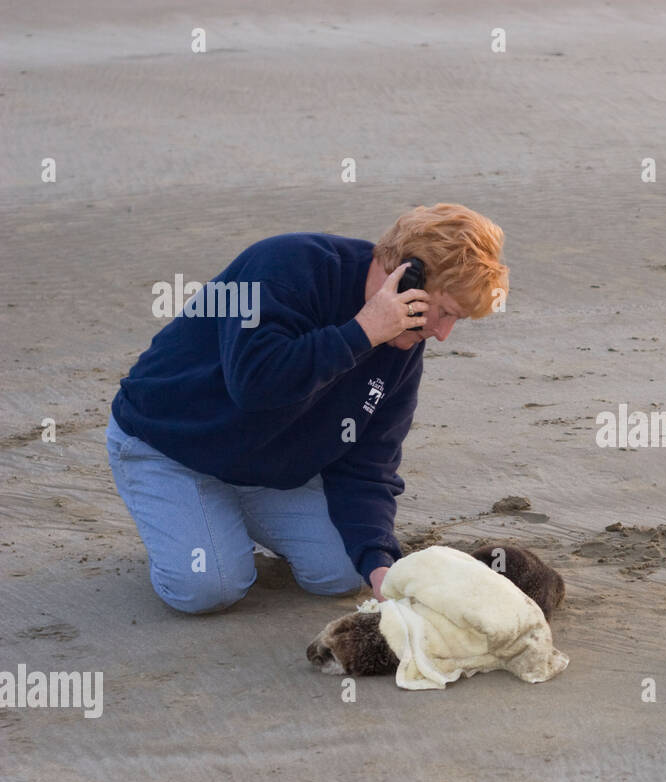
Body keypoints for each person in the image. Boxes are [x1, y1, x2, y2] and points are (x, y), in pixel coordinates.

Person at [105, 203, 508, 614]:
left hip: (263, 470)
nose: (441, 334)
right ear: (407, 277)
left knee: (345, 572)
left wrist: (377, 561)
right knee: (209, 587)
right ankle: (194, 522)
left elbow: (368, 464)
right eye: (444, 313)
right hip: (169, 446)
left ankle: (221, 518)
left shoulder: (406, 347)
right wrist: (363, 332)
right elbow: (256, 386)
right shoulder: (288, 266)